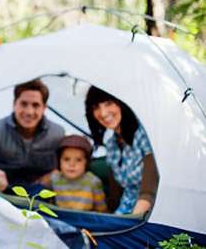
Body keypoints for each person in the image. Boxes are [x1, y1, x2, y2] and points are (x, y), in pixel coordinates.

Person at [85, 86, 159, 215]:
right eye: (96, 107)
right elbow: (115, 196)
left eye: (108, 103)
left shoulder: (145, 135)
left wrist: (128, 224)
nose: (103, 113)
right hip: (124, 210)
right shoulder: (111, 145)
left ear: (122, 103)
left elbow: (148, 195)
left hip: (148, 215)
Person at [50, 135, 107, 212]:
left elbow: (101, 210)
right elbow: (50, 205)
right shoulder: (55, 179)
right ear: (59, 161)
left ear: (86, 163)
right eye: (66, 159)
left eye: (78, 160)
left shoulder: (93, 182)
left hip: (85, 220)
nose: (72, 164)